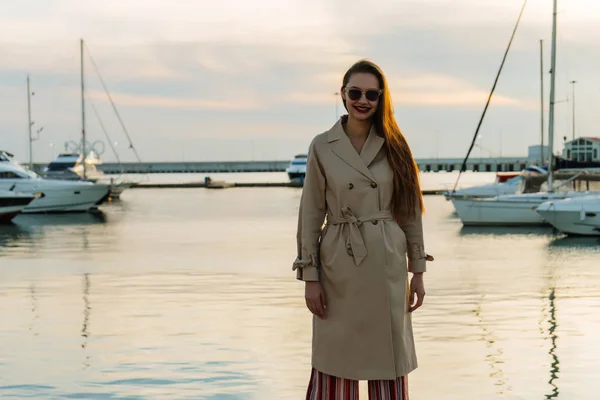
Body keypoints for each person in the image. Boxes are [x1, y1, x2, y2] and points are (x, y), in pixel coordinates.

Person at [293, 59, 431, 400]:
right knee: (335, 362)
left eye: (371, 93)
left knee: (388, 364)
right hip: (338, 264)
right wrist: (310, 277)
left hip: (386, 263)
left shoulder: (396, 145)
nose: (363, 100)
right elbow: (310, 214)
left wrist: (418, 271)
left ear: (381, 97)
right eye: (355, 92)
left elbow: (410, 212)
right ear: (343, 94)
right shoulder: (322, 146)